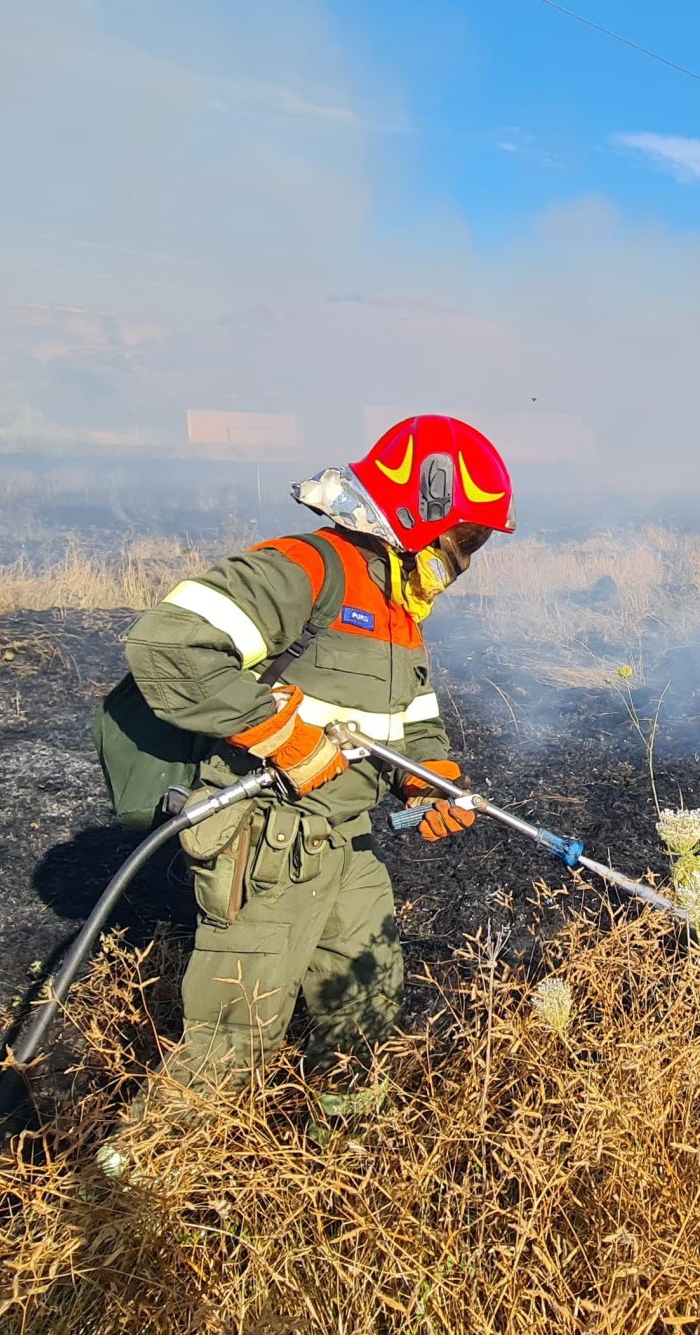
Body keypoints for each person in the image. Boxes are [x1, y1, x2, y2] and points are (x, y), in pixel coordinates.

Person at [118, 414, 512, 1112]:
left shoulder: (395, 604)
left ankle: (344, 1152)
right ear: (423, 507)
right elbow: (167, 646)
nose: (467, 559)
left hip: (347, 845)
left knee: (365, 1004)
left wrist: (431, 773)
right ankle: (122, 1200)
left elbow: (407, 717)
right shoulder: (305, 568)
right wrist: (281, 736)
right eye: (469, 537)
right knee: (231, 1043)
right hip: (268, 843)